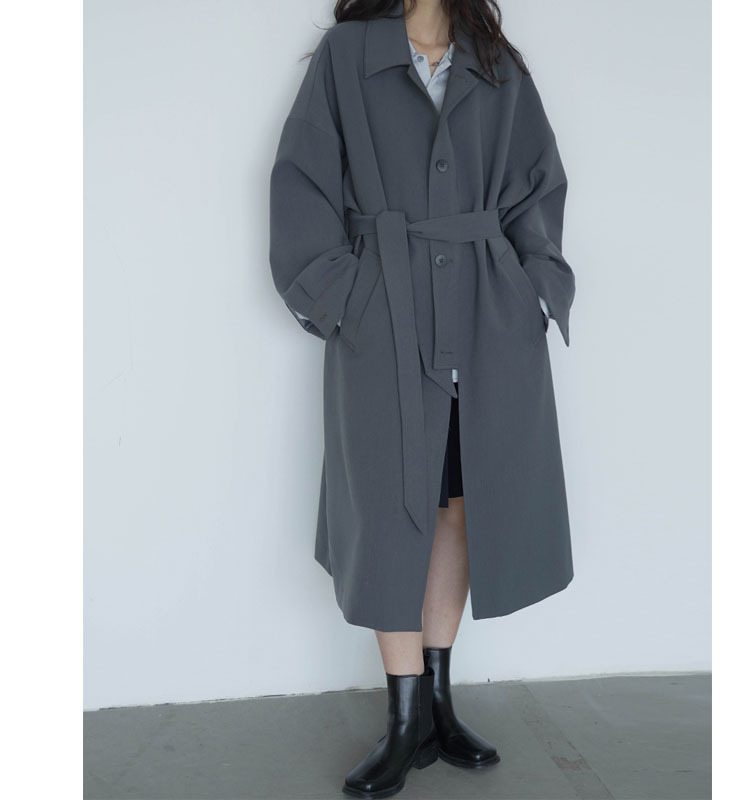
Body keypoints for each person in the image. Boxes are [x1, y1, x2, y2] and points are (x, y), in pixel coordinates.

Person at [269, 0, 576, 796]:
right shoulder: (347, 57)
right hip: (387, 318)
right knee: (389, 505)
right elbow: (301, 184)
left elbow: (537, 186)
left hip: (485, 319)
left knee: (462, 504)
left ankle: (437, 700)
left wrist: (534, 290)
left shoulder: (495, 63)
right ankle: (403, 716)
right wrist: (348, 300)